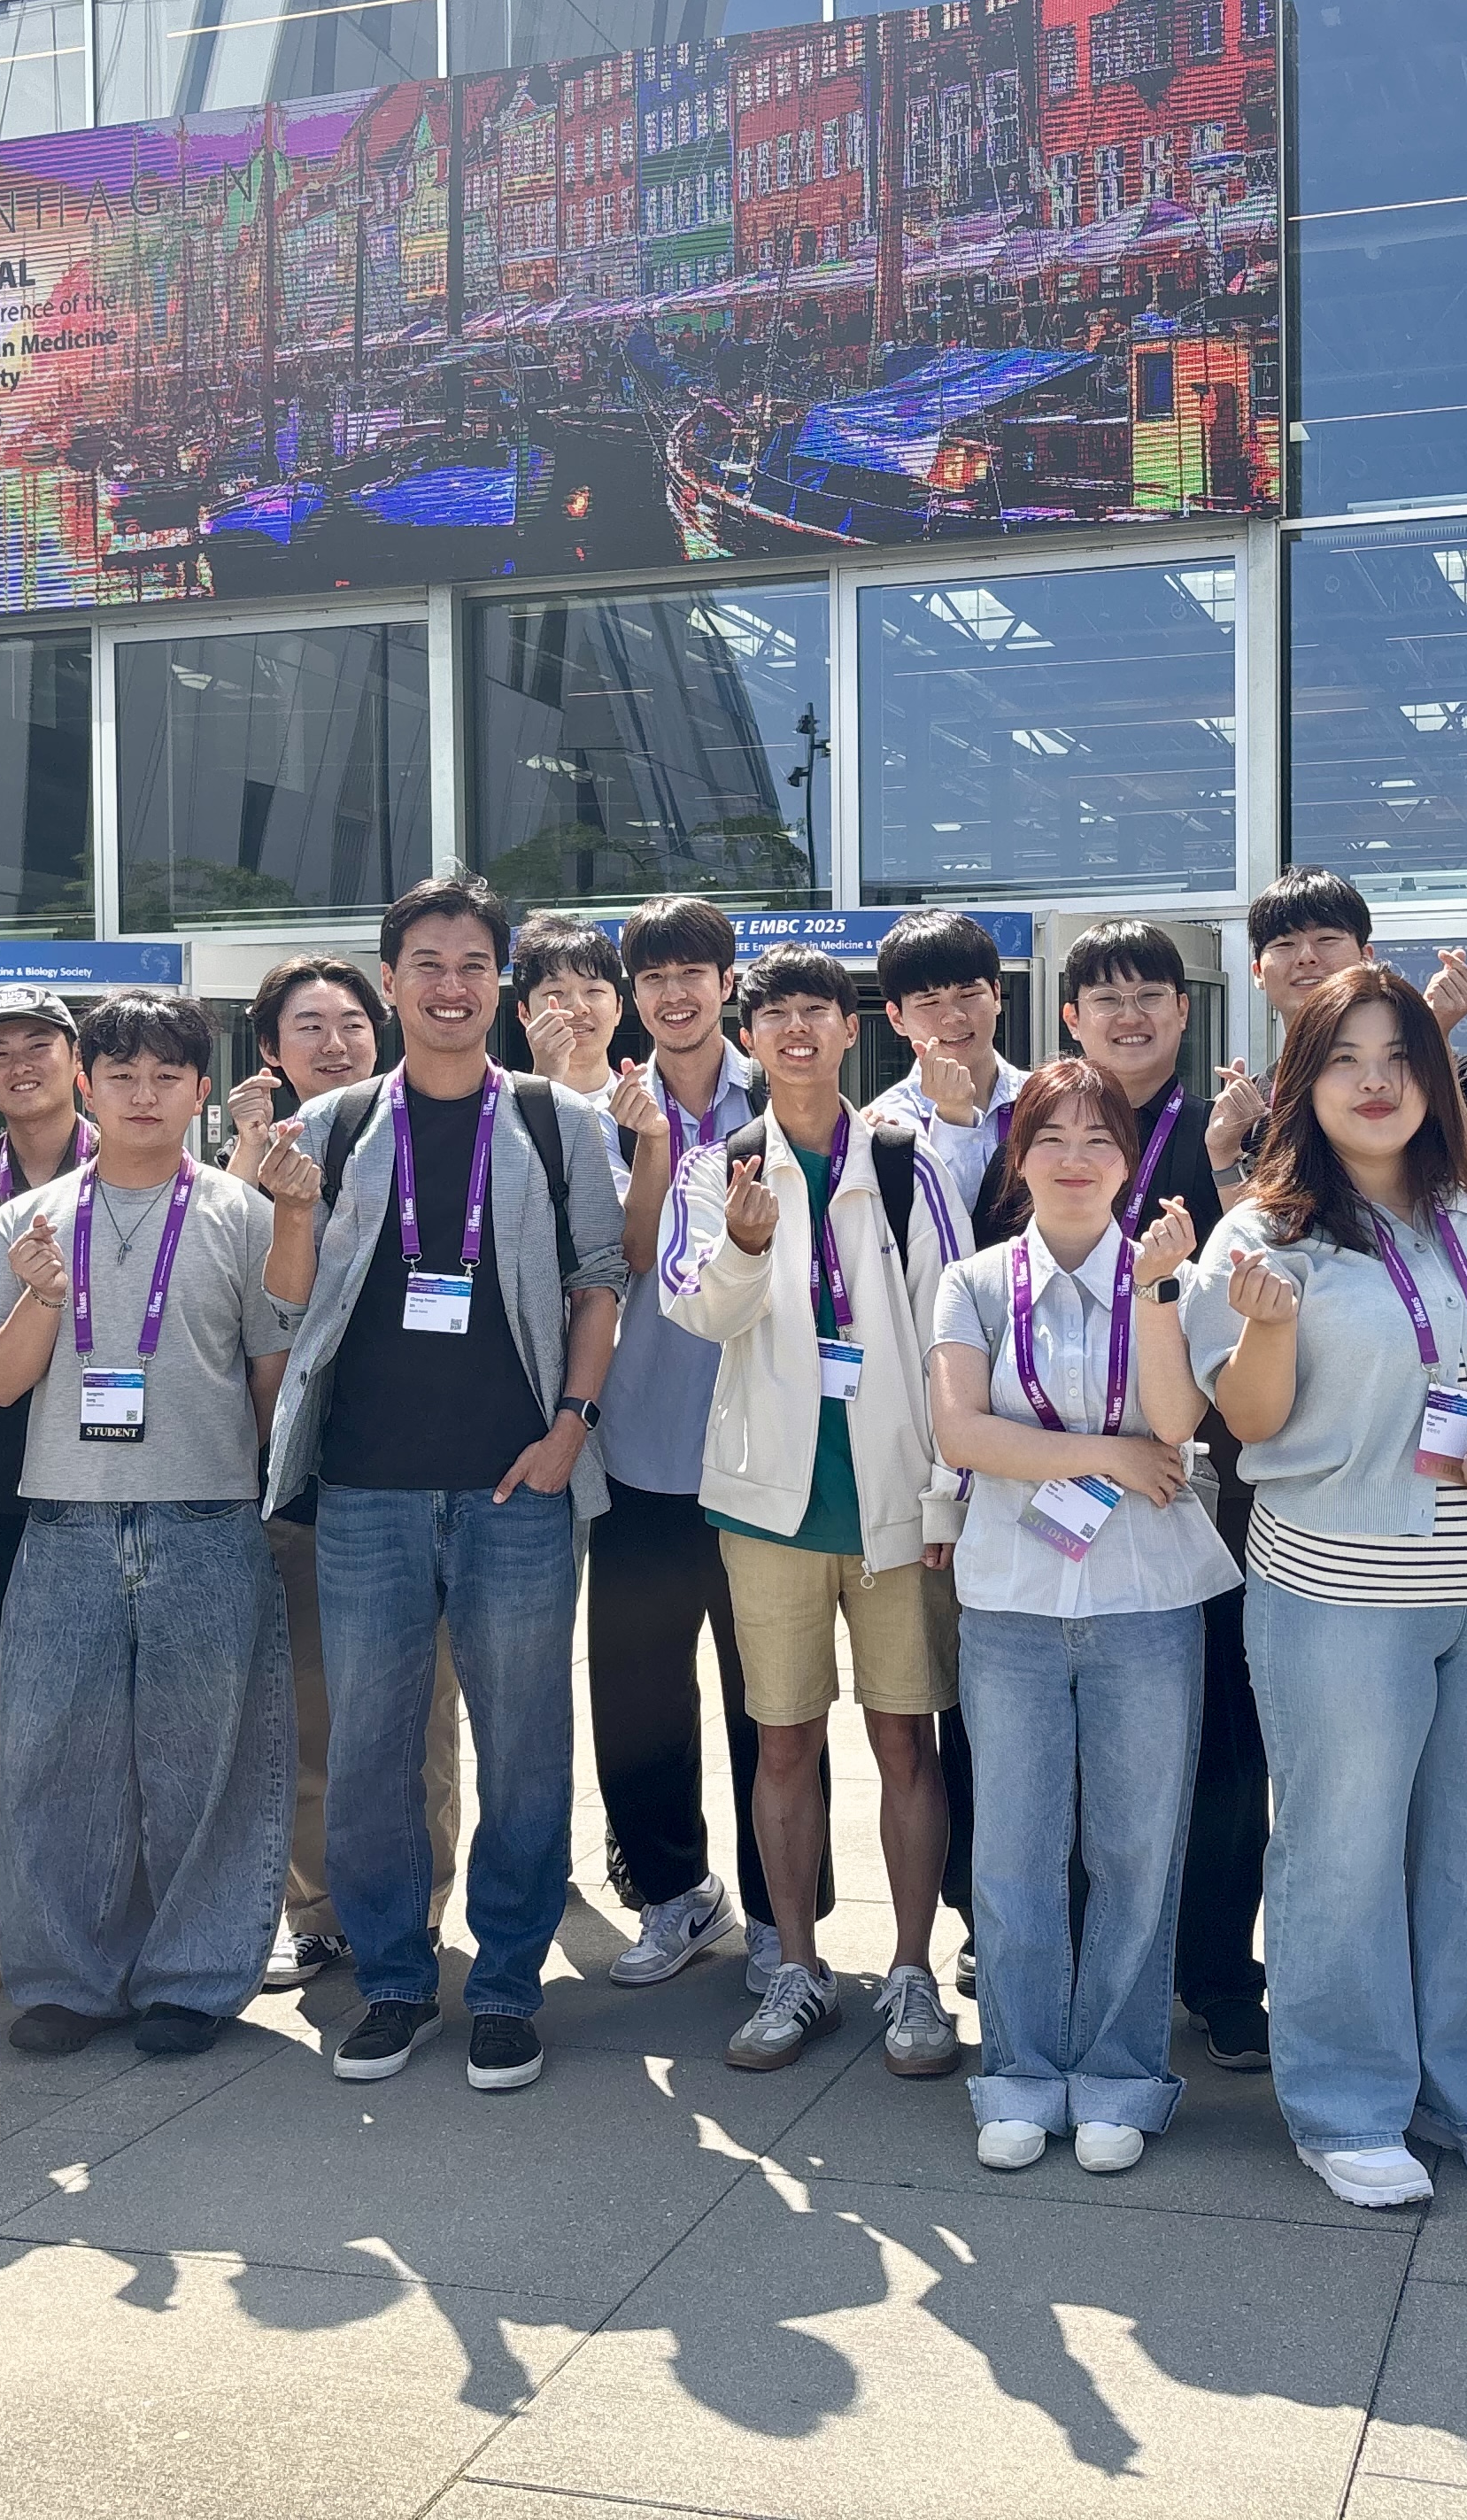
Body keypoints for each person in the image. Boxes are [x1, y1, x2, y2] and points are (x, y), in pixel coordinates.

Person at [1179, 964, 1467, 2209]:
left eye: (1399, 1056)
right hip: (1338, 1592)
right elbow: (1248, 1421)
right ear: (1302, 1081)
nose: (1375, 1082)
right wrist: (1267, 1328)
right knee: (1342, 1847)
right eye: (1344, 1058)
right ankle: (1346, 2104)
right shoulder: (1258, 1235)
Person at [261, 875, 626, 2094]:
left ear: (500, 982)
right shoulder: (333, 1126)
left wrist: (572, 1427)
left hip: (518, 1486)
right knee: (370, 1751)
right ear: (391, 982)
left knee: (525, 1744)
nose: (451, 986)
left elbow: (599, 1282)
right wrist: (291, 1214)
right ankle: (396, 1979)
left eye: (474, 963)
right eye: (427, 963)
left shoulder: (553, 1123)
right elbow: (287, 1299)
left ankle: (510, 1985)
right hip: (365, 1489)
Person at [0, 993, 317, 2059]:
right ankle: (68, 1979)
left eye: (168, 1076)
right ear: (88, 1085)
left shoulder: (241, 1211)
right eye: (121, 1075)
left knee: (207, 1760)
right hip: (66, 1517)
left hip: (205, 1513)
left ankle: (194, 1980)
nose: (144, 1094)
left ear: (202, 1090)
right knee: (51, 1756)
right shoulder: (27, 1220)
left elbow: (272, 1367)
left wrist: (250, 1490)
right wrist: (39, 1298)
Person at [661, 946, 968, 2080]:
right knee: (782, 1740)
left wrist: (948, 1491)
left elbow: (953, 1329)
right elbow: (694, 1311)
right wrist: (745, 1245)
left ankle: (911, 1970)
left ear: (852, 1029)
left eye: (817, 1012)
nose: (796, 1030)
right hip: (769, 1508)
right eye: (776, 1014)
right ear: (749, 1037)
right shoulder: (718, 1167)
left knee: (907, 1741)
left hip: (894, 1503)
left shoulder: (904, 1162)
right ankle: (795, 1968)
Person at [926, 1059, 1234, 2176]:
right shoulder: (972, 1283)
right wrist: (1109, 1456)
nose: (1073, 1158)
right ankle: (1017, 2073)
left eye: (1097, 1139)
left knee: (1136, 1849)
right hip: (1010, 1601)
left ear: (1127, 1162)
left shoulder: (1167, 1276)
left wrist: (1156, 1295)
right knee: (1013, 1850)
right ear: (1020, 1158)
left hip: (1145, 1602)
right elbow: (963, 1433)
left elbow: (1177, 1422)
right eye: (1049, 1138)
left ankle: (1119, 2075)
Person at [592, 897, 832, 1994]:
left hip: (764, 1447)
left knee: (773, 1695)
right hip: (643, 1439)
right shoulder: (603, 1112)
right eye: (654, 978)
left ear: (728, 984)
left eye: (694, 973)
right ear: (634, 995)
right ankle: (673, 1894)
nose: (674, 994)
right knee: (638, 1692)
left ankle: (787, 1913)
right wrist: (646, 1144)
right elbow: (623, 1259)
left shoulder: (783, 1090)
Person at [223, 955, 462, 1994]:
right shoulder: (246, 1171)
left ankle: (419, 1907)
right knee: (311, 1711)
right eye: (308, 1027)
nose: (335, 1042)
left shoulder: (432, 1134)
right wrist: (249, 1158)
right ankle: (316, 1910)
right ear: (271, 1052)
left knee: (425, 1716)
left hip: (428, 1469)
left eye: (352, 1023)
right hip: (308, 1477)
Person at [0, 985, 97, 1998]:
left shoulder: (138, 1157)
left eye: (39, 1044)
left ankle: (114, 1896)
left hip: (114, 1466)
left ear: (77, 1061)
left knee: (113, 1701)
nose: (19, 1064)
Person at [865, 908, 1030, 1214]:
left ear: (996, 995)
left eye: (968, 994)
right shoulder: (887, 1126)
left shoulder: (1047, 1100)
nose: (953, 1016)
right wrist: (953, 1117)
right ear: (897, 1018)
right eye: (929, 1001)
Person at [513, 912, 627, 1111]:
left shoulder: (649, 1107)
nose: (578, 1008)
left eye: (594, 991)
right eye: (556, 992)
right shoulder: (503, 1112)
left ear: (618, 1008)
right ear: (525, 1014)